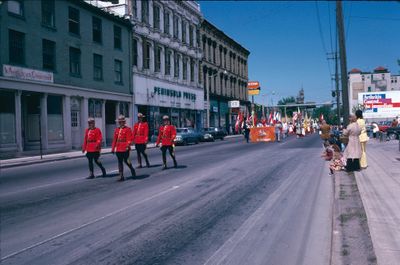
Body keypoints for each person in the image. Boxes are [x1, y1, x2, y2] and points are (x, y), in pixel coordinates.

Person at [111, 115, 136, 181]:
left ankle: (132, 169)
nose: (120, 123)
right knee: (120, 162)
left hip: (125, 148)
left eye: (121, 121)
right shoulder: (117, 130)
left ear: (124, 122)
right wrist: (113, 148)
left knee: (126, 161)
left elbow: (129, 138)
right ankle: (121, 175)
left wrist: (128, 145)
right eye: (119, 122)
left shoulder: (127, 129)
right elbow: (114, 140)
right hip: (118, 148)